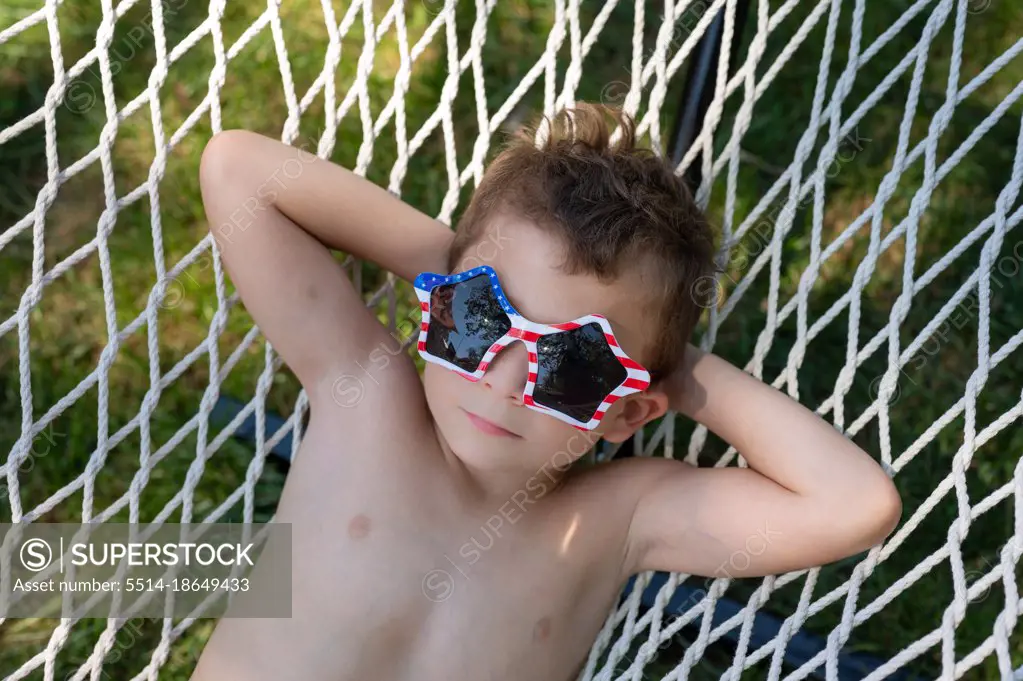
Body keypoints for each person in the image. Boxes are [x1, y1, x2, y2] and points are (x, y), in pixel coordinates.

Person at [189, 102, 901, 681]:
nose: (501, 381)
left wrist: (673, 369)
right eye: (478, 321)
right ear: (435, 306)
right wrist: (454, 265)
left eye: (571, 365)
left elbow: (855, 505)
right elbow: (237, 170)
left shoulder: (617, 519)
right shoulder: (365, 398)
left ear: (627, 409)